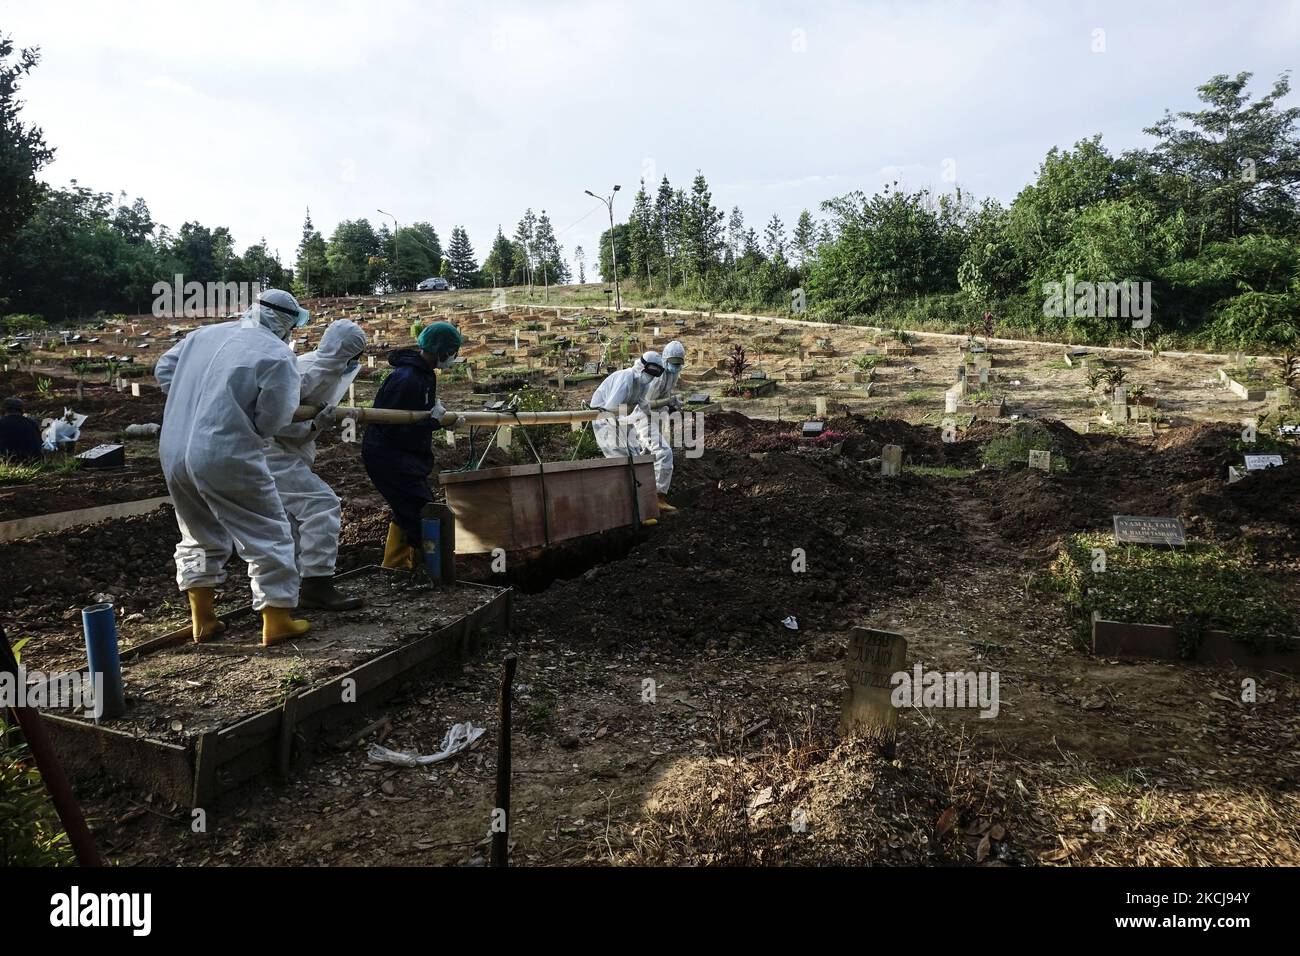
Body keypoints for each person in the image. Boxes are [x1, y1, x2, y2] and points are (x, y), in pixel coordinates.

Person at [155, 289, 317, 647]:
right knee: (266, 530)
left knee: (196, 534)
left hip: (174, 448)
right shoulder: (276, 353)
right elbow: (275, 416)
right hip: (224, 449)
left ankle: (203, 619)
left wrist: (195, 401)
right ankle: (276, 618)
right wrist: (244, 423)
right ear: (287, 323)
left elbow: (164, 368)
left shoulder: (203, 335)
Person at [267, 319, 368, 611]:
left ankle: (292, 589)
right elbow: (274, 419)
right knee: (321, 505)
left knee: (291, 522)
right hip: (272, 452)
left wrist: (311, 428)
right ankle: (317, 584)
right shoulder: (305, 371)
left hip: (290, 451)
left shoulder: (328, 369)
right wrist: (312, 426)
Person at [362, 321, 462, 569]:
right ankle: (421, 570)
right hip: (388, 457)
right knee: (422, 513)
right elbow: (391, 428)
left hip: (406, 456)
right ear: (440, 350)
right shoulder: (406, 379)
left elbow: (418, 416)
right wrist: (432, 423)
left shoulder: (424, 374)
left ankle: (397, 566)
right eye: (452, 352)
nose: (453, 357)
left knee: (410, 510)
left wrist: (439, 421)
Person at [589, 350, 676, 513]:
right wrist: (626, 422)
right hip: (605, 423)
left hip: (623, 420)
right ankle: (621, 508)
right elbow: (608, 412)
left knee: (637, 459)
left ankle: (644, 505)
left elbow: (643, 404)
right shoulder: (625, 378)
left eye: (653, 375)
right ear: (641, 366)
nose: (650, 377)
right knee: (621, 461)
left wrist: (658, 413)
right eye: (649, 373)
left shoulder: (643, 383)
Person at [0, 397, 42, 462]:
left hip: (7, 461)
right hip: (32, 461)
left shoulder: (2, 423)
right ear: (22, 411)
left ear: (3, 410)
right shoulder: (32, 424)